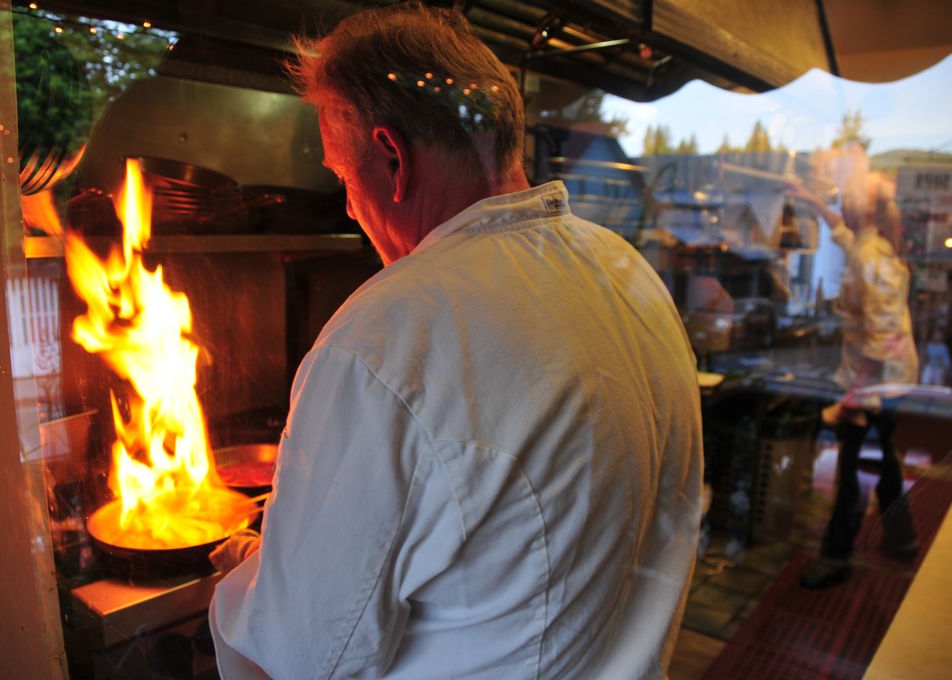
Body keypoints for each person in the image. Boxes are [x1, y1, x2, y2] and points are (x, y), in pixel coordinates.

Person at [210, 3, 703, 677]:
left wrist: (254, 571)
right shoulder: (628, 274)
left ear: (391, 157)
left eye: (340, 177)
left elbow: (303, 654)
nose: (350, 206)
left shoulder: (383, 338)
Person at [791, 172, 919, 589]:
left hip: (878, 383)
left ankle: (836, 557)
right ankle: (903, 539)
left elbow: (884, 338)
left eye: (848, 197)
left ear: (864, 207)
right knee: (882, 460)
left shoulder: (871, 256)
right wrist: (812, 200)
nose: (842, 202)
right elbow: (843, 234)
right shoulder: (867, 243)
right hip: (884, 380)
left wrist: (855, 395)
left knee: (853, 470)